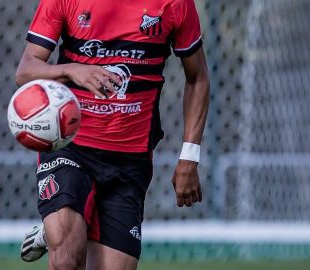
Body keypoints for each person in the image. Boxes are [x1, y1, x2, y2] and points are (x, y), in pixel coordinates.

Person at [16, 0, 209, 269]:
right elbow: (25, 71)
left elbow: (197, 77)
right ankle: (65, 226)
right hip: (71, 145)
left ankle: (65, 224)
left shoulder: (175, 4)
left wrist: (190, 156)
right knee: (67, 258)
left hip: (130, 158)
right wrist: (72, 70)